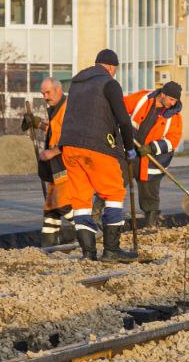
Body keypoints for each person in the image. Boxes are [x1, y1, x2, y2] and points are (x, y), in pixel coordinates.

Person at [59, 49, 147, 262]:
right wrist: (129, 148)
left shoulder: (77, 83)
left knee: (80, 199)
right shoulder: (109, 83)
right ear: (110, 67)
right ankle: (111, 250)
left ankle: (88, 253)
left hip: (69, 147)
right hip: (97, 146)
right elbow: (124, 120)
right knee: (114, 193)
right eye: (114, 71)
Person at [124, 81, 183, 230]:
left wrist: (151, 148)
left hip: (152, 160)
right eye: (171, 99)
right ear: (162, 94)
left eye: (175, 100)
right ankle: (100, 215)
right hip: (130, 152)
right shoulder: (142, 98)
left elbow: (172, 140)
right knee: (114, 182)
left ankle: (152, 224)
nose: (173, 103)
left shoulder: (174, 117)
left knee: (149, 194)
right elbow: (122, 106)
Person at [24, 77, 72, 247]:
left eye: (48, 92)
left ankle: (91, 232)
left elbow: (74, 136)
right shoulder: (55, 109)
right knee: (51, 208)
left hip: (66, 165)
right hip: (55, 168)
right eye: (43, 93)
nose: (45, 96)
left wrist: (54, 151)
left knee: (63, 203)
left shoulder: (69, 109)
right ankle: (49, 247)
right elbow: (55, 130)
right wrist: (38, 124)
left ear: (58, 90)